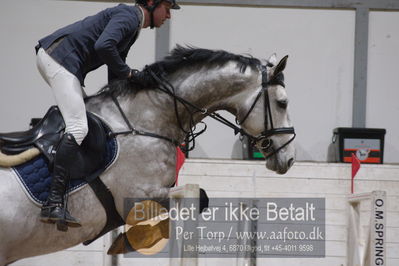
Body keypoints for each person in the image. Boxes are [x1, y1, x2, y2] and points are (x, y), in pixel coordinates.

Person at [36, 0, 180, 229]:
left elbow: (115, 71)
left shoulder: (132, 25)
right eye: (168, 8)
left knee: (89, 120)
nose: (169, 16)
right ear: (152, 3)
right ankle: (53, 201)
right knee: (78, 127)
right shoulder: (130, 16)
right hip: (59, 59)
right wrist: (131, 74)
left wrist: (133, 89)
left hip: (61, 60)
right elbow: (104, 46)